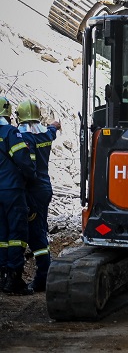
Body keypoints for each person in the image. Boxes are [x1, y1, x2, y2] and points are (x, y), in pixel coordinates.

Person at [16, 99, 60, 292]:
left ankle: (42, 277)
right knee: (40, 228)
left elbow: (29, 169)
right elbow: (52, 130)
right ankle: (43, 273)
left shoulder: (27, 138)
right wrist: (54, 125)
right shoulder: (45, 136)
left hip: (33, 191)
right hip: (45, 188)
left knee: (36, 234)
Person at [0, 96, 37, 295]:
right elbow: (23, 160)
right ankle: (14, 278)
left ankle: (2, 275)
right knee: (16, 234)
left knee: (2, 235)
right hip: (13, 190)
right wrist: (32, 177)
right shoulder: (11, 133)